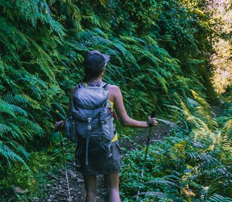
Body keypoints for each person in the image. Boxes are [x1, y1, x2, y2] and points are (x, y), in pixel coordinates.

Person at [55, 50, 158, 202]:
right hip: (108, 145)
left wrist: (61, 126)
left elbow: (72, 121)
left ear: (86, 69)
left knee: (90, 192)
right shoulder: (113, 91)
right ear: (103, 70)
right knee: (113, 189)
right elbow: (125, 121)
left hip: (85, 146)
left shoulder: (76, 91)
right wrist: (147, 123)